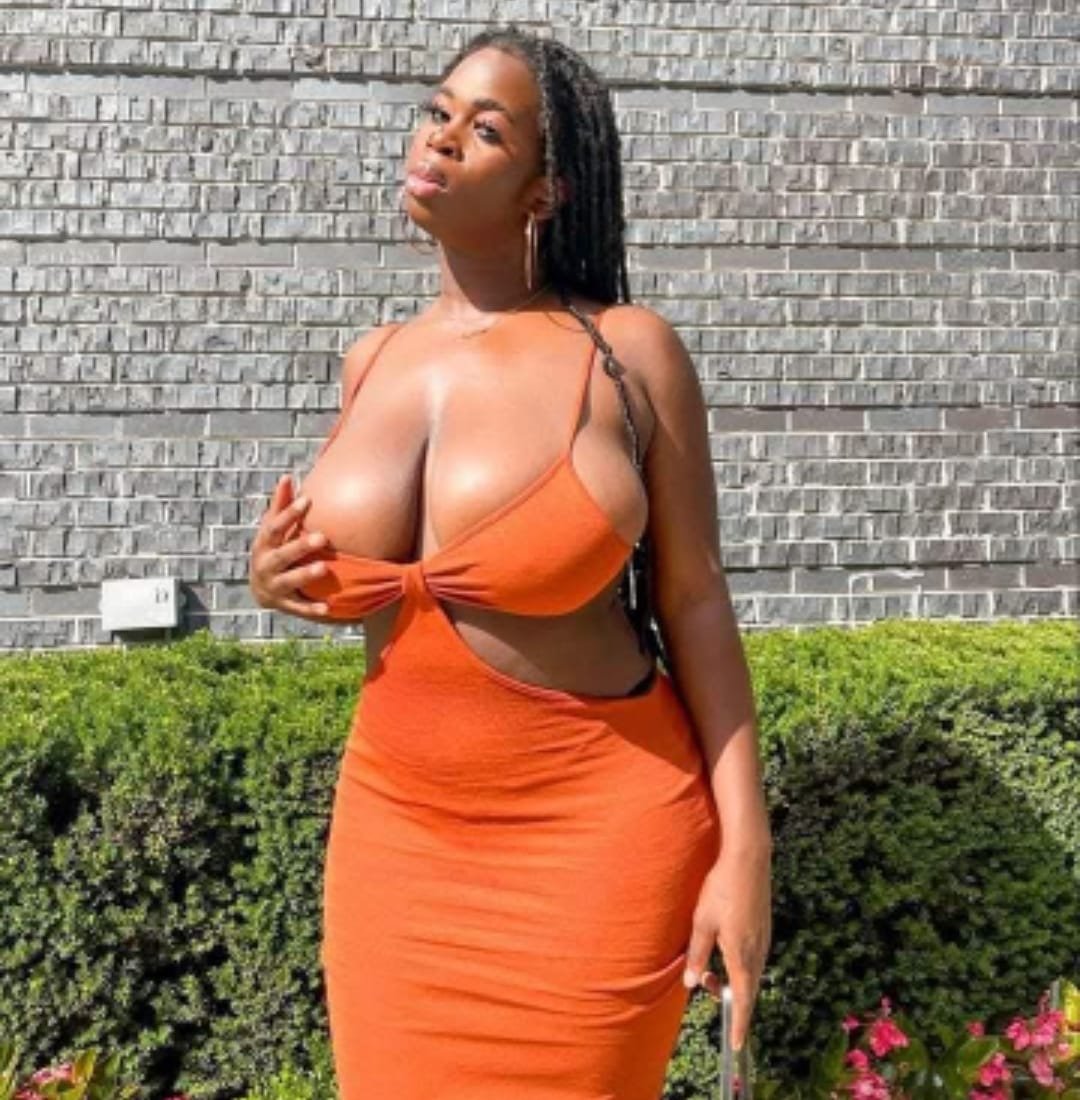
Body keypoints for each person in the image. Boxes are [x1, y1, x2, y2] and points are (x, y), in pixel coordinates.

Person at [248, 24, 772, 1100]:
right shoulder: (372, 360)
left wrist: (745, 847)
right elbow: (375, 587)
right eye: (436, 113)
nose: (440, 138)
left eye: (484, 130)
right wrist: (281, 580)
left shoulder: (627, 352)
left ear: (546, 190)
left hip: (594, 840)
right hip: (394, 838)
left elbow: (694, 601)